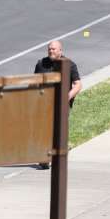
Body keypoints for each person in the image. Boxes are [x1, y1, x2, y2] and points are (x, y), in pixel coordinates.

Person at [33, 40, 83, 169]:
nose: (51, 51)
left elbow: (78, 85)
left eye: (54, 49)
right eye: (49, 49)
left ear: (60, 50)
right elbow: (34, 83)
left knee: (56, 129)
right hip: (44, 103)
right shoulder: (41, 64)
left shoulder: (69, 65)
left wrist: (66, 97)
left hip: (61, 104)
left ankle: (56, 151)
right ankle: (45, 158)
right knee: (44, 130)